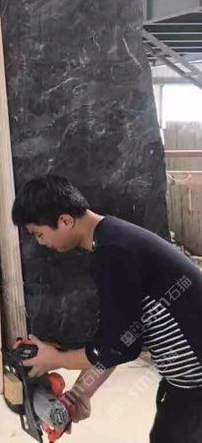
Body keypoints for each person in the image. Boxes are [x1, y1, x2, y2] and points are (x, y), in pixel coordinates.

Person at [11, 174, 202, 442]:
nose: (42, 244)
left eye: (39, 235)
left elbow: (119, 348)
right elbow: (119, 336)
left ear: (65, 221)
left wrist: (55, 359)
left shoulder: (113, 253)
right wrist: (79, 394)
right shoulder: (113, 240)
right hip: (186, 387)